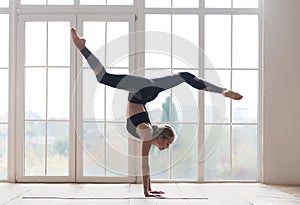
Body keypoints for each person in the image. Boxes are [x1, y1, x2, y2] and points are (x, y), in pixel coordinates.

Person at [71, 27, 243, 197]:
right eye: (166, 144)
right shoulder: (147, 132)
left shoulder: (149, 129)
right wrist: (147, 191)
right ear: (160, 136)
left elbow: (146, 163)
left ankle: (223, 91)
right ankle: (81, 46)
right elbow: (144, 162)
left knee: (184, 76)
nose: (164, 148)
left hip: (145, 90)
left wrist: (150, 188)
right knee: (104, 78)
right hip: (142, 89)